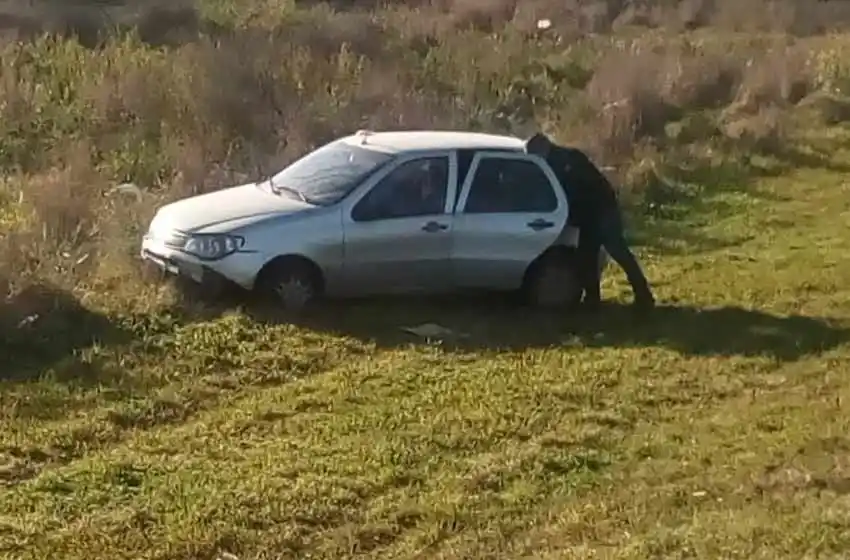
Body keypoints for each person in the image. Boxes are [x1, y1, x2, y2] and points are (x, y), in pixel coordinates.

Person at [524, 132, 655, 313]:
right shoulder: (561, 160)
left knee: (618, 251)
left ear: (542, 150)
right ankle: (593, 300)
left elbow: (579, 190)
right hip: (589, 214)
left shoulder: (566, 161)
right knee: (587, 257)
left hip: (602, 210)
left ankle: (643, 295)